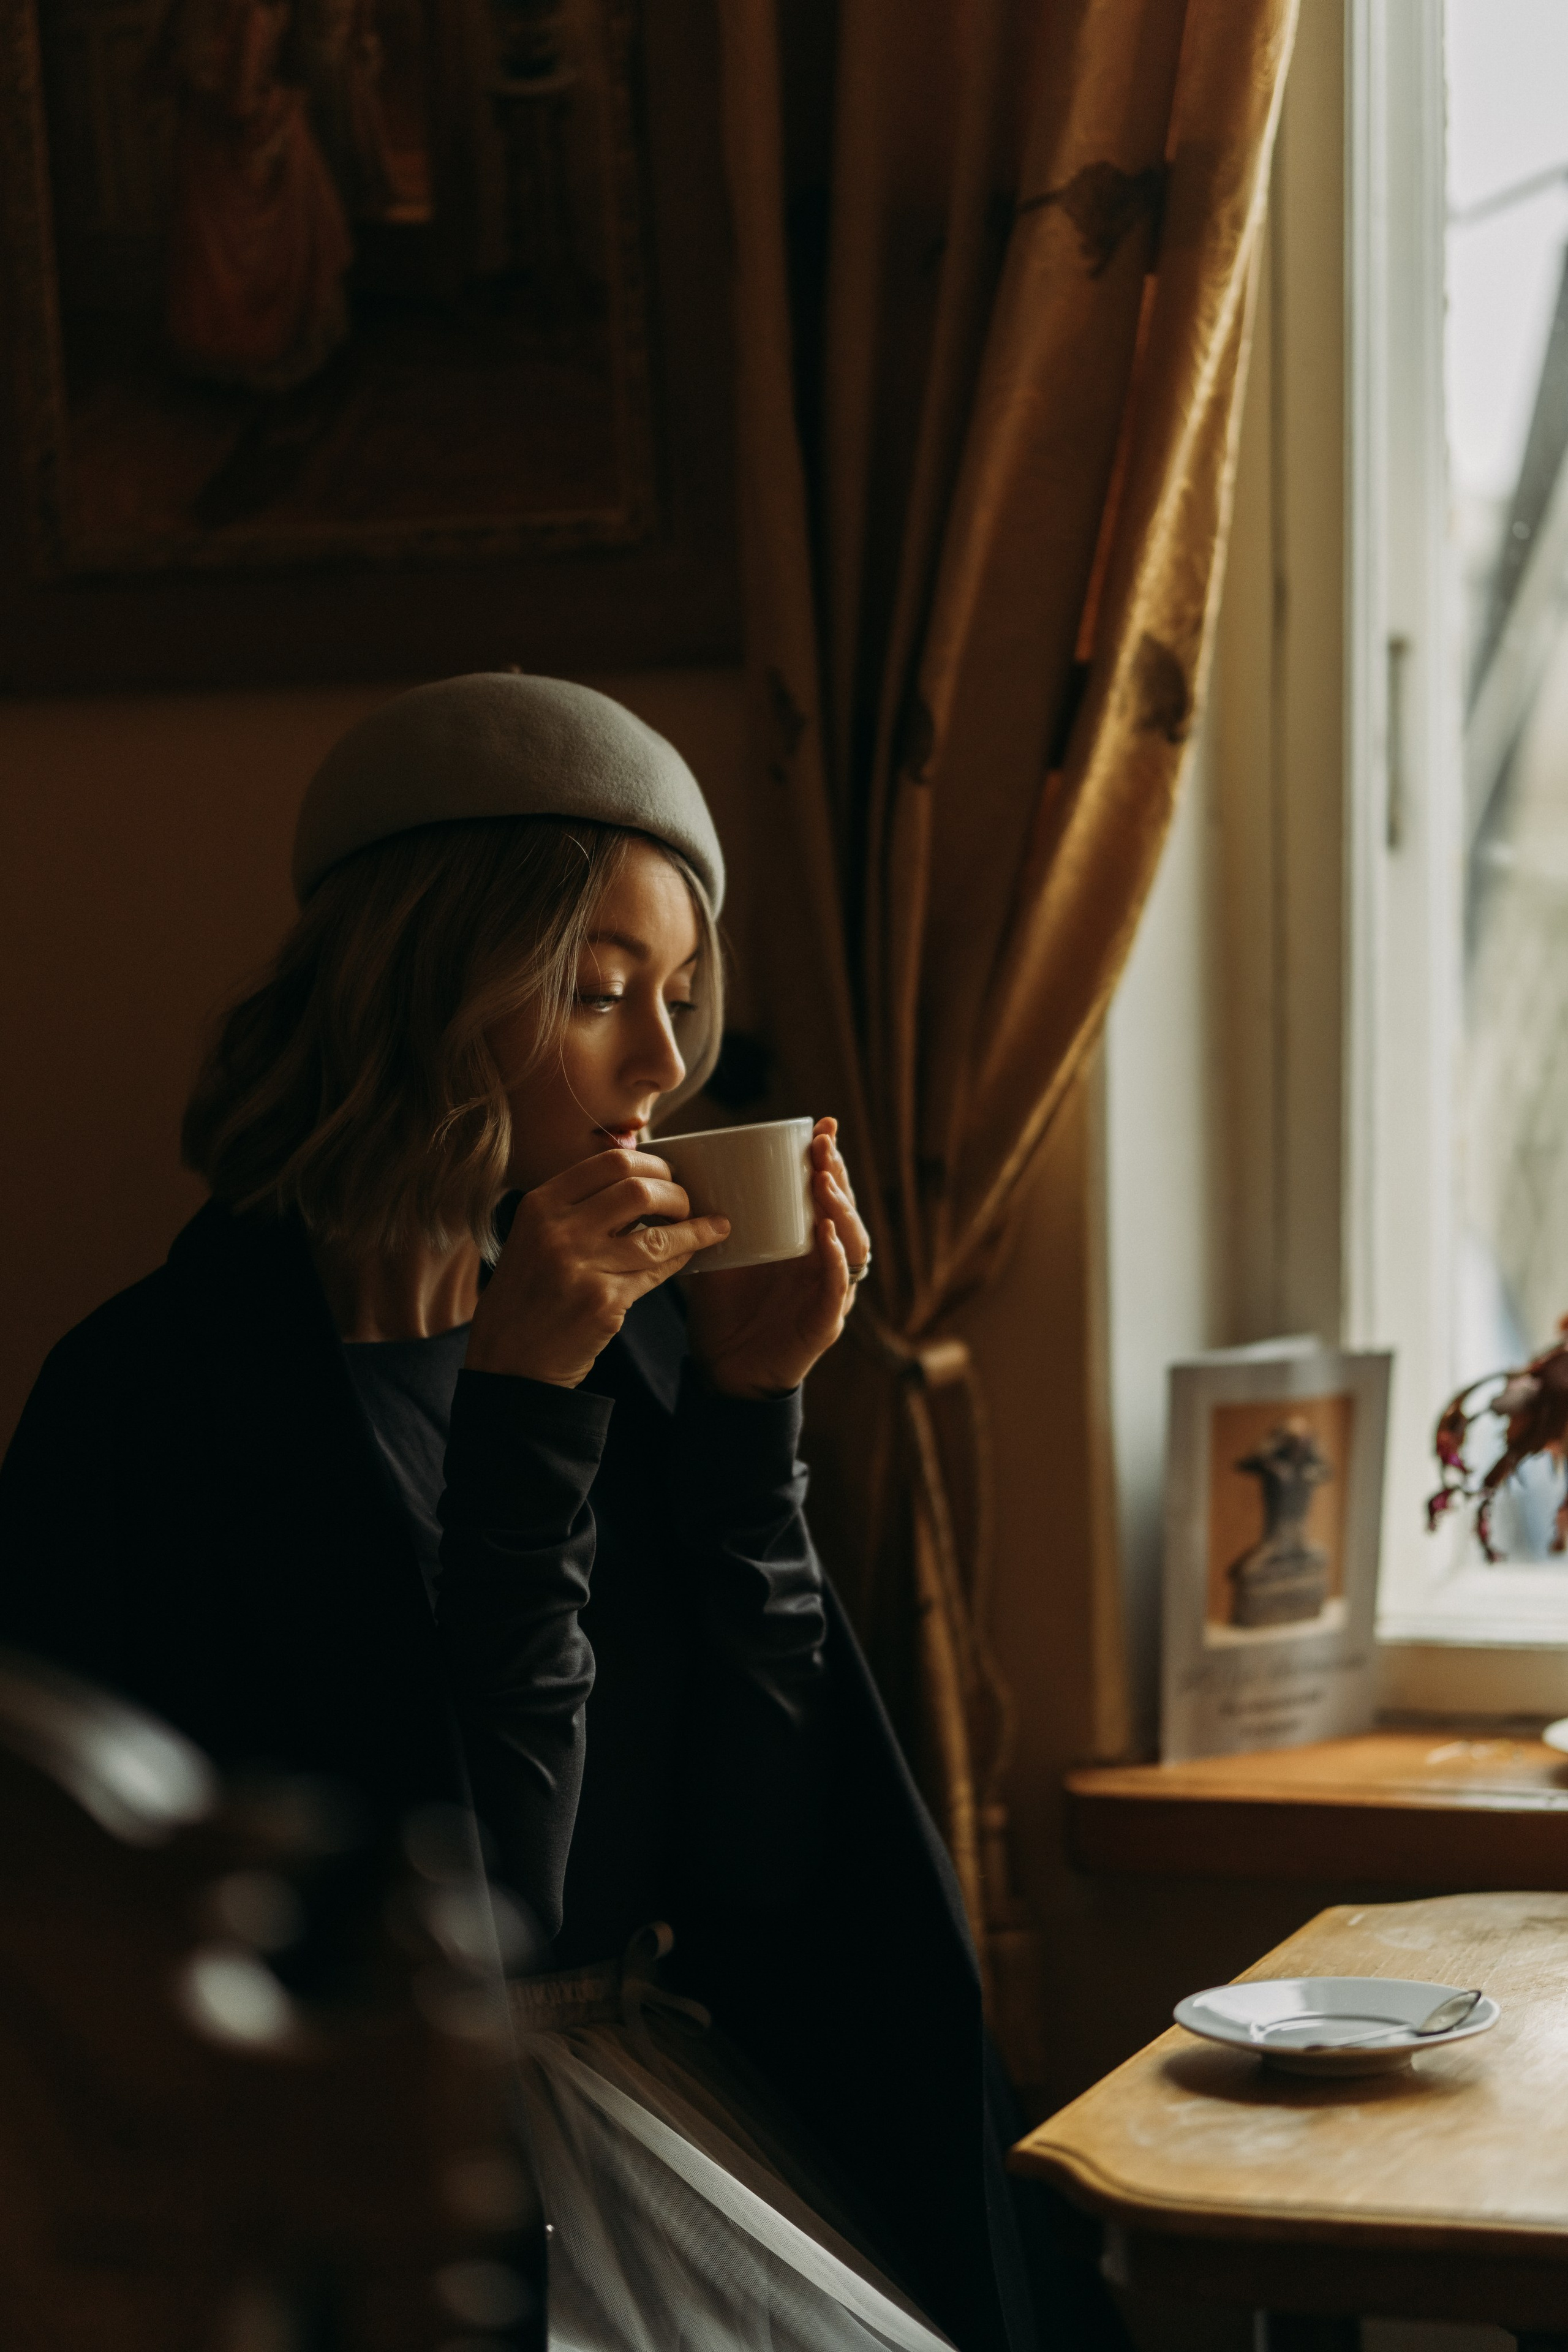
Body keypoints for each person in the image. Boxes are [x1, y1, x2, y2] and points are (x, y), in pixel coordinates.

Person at [0, 677, 1113, 2352]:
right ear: (422, 989)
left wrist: (751, 1418)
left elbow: (762, 1860)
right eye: (600, 991)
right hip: (372, 2195)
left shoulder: (644, 1355)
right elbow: (470, 1921)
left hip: (663, 2101)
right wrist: (520, 1416)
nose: (666, 1064)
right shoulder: (160, 1401)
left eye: (679, 995)